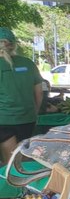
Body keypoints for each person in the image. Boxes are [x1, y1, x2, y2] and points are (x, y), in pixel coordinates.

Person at [0, 27, 43, 164]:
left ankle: (12, 186)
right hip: (27, 119)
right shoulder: (28, 63)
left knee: (10, 164)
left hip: (4, 120)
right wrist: (34, 113)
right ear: (13, 44)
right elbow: (39, 93)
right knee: (22, 160)